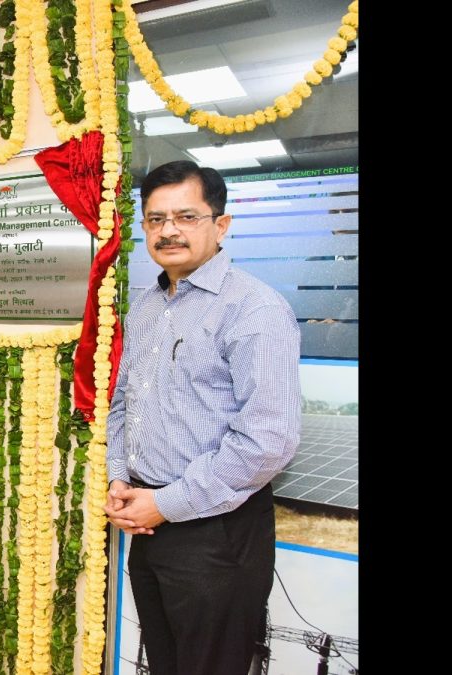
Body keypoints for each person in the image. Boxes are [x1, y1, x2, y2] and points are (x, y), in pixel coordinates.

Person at [104, 160, 301, 675]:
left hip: (216, 532)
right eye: (155, 219)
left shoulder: (254, 309)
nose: (169, 230)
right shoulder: (147, 306)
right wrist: (119, 477)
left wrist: (166, 503)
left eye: (186, 216)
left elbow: (268, 441)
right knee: (164, 663)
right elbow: (124, 400)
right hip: (149, 525)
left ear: (221, 224)